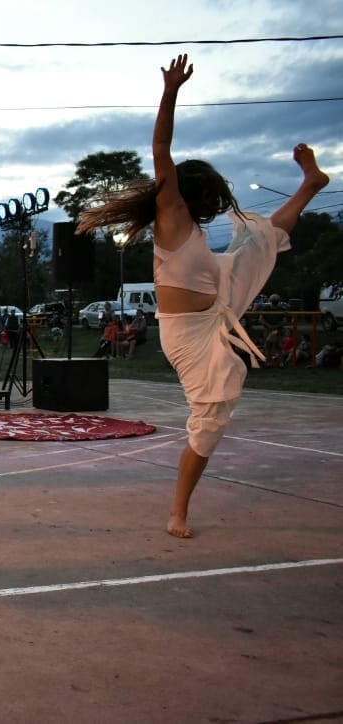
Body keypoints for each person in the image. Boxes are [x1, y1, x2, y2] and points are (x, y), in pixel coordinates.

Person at [76, 54, 328, 539]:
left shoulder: (193, 231)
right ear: (193, 195)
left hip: (217, 298)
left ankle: (310, 185)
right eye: (211, 199)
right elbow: (161, 148)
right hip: (188, 333)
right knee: (210, 418)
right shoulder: (171, 216)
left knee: (261, 239)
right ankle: (179, 510)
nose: (216, 207)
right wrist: (171, 91)